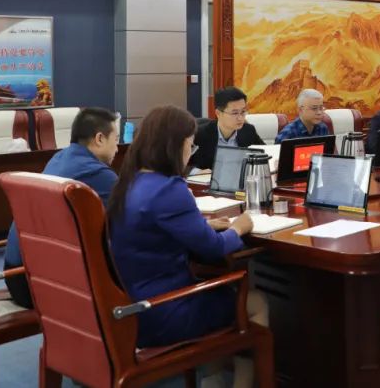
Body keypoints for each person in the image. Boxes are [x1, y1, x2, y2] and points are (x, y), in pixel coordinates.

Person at [107, 105, 266, 388]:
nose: (190, 153)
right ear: (175, 145)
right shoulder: (169, 189)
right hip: (163, 312)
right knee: (256, 303)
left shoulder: (130, 181)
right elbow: (215, 249)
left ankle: (213, 381)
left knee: (217, 292)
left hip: (131, 308)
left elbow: (158, 232)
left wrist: (203, 227)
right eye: (190, 146)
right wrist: (240, 227)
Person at [3, 107, 120, 308]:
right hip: (38, 282)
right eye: (116, 140)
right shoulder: (99, 174)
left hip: (15, 273)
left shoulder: (59, 158)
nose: (117, 148)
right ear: (100, 139)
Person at [189, 86, 264, 170]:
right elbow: (183, 166)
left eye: (243, 111)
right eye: (235, 113)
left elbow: (265, 154)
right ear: (218, 113)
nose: (240, 118)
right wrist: (197, 172)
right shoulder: (199, 135)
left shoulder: (248, 131)